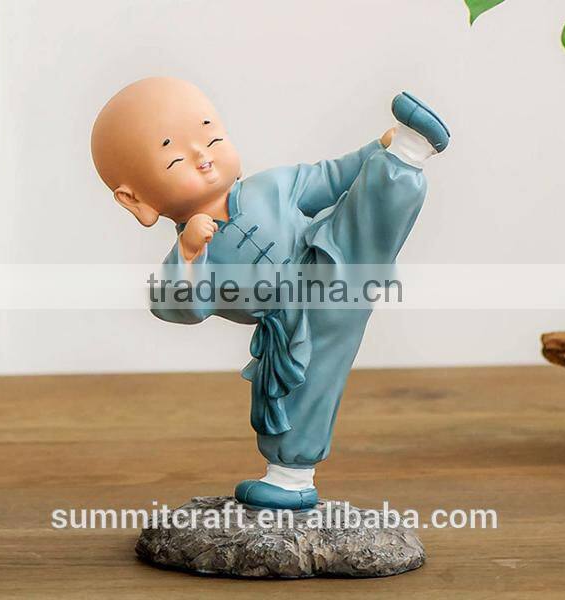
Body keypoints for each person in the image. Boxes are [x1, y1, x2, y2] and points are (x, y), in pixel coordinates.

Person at [91, 77, 450, 510]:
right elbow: (177, 306)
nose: (202, 155)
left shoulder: (273, 186)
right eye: (174, 155)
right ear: (136, 201)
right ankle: (290, 478)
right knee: (301, 389)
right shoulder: (193, 252)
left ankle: (407, 152)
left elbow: (332, 177)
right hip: (292, 327)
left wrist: (378, 147)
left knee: (361, 221)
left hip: (327, 262)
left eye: (210, 134)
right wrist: (189, 253)